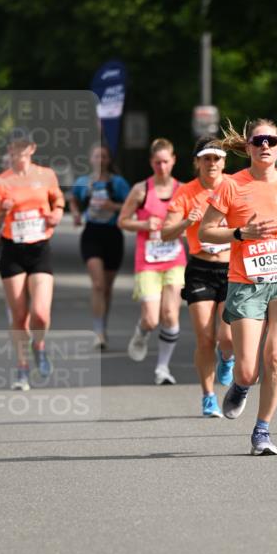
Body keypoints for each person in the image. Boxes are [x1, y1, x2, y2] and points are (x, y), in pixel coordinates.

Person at [198, 119, 277, 455]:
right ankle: (240, 384)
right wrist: (239, 234)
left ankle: (262, 431)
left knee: (276, 356)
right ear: (248, 147)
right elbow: (206, 231)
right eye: (258, 141)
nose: (265, 146)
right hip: (246, 282)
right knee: (249, 370)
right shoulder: (231, 186)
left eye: (271, 140)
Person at [161, 137, 235, 418]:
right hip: (201, 269)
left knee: (226, 336)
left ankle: (227, 358)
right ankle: (208, 396)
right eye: (207, 158)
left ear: (224, 162)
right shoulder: (186, 193)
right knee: (205, 338)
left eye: (217, 158)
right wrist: (187, 222)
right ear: (197, 162)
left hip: (232, 269)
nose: (212, 163)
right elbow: (165, 233)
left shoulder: (235, 187)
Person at [0, 130, 65, 390]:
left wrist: (57, 213)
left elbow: (59, 200)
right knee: (20, 315)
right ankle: (22, 369)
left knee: (40, 314)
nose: (18, 152)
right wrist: (2, 210)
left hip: (40, 247)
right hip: (12, 250)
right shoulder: (2, 181)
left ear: (31, 149)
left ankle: (39, 345)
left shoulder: (46, 175)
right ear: (9, 150)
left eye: (22, 147)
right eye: (13, 147)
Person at [117, 138, 187, 385]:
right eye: (157, 162)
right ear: (151, 163)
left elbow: (193, 223)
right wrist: (144, 224)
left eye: (166, 161)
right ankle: (141, 331)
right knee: (151, 318)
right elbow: (122, 220)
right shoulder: (141, 190)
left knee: (170, 314)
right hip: (147, 260)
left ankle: (162, 368)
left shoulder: (183, 189)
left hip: (174, 259)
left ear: (174, 160)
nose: (162, 167)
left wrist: (182, 229)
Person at [69, 144, 130, 349]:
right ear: (91, 159)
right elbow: (72, 200)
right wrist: (77, 214)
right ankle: (98, 331)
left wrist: (113, 206)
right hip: (92, 234)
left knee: (107, 288)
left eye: (104, 156)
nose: (100, 160)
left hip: (113, 235)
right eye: (97, 156)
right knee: (98, 284)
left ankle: (103, 324)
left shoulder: (118, 183)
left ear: (109, 160)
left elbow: (131, 204)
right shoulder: (83, 183)